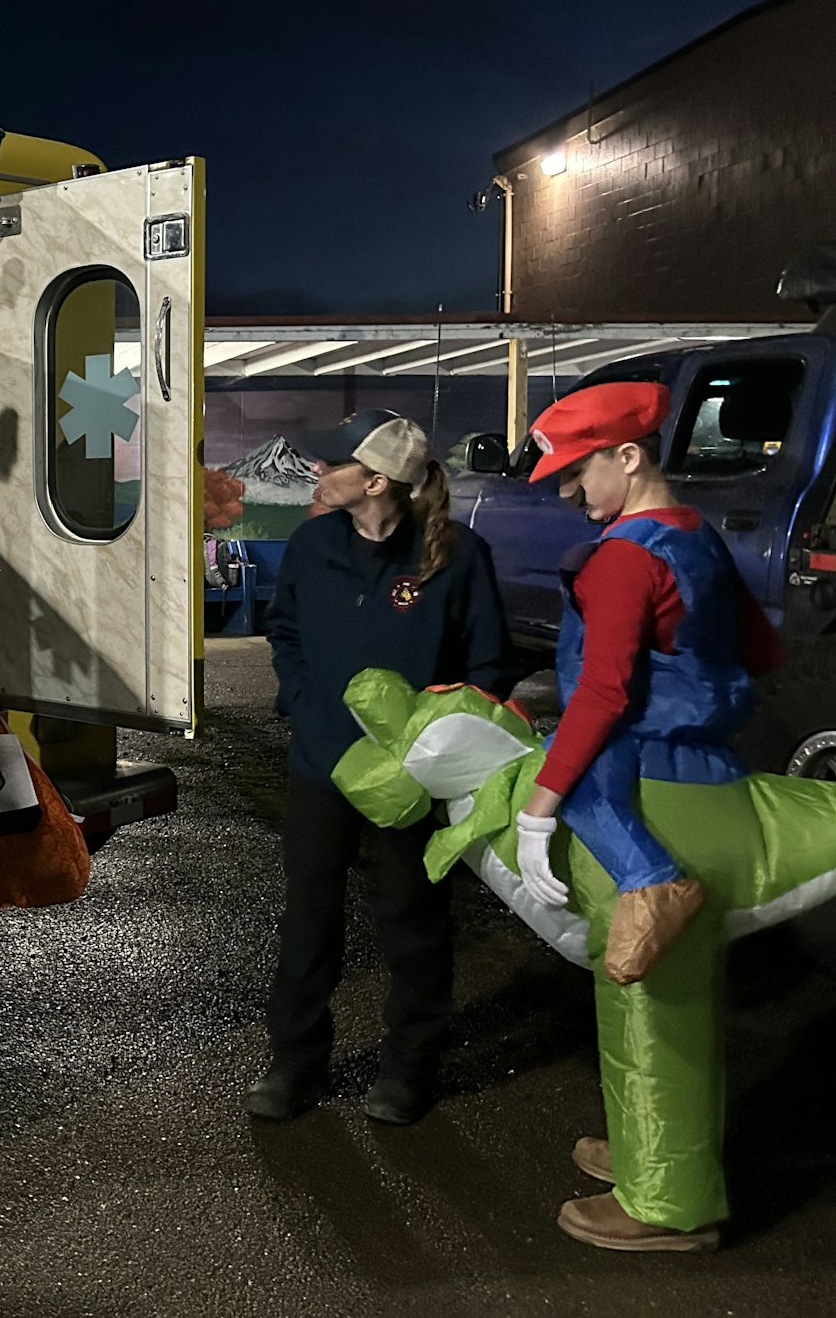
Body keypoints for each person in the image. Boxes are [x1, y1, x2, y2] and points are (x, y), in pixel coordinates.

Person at [508, 380, 782, 1251]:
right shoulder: (696, 536)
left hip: (650, 778)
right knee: (669, 1004)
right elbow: (763, 649)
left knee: (647, 1003)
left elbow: (602, 692)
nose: (567, 492)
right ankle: (644, 1148)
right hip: (714, 764)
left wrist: (540, 808)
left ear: (628, 457)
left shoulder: (624, 555)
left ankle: (667, 1202)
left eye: (578, 473)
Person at [254, 407, 511, 1126]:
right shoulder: (311, 545)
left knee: (412, 920)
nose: (315, 469)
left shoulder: (458, 557)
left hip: (413, 781)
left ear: (375, 480)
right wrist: (306, 704)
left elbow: (490, 664)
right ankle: (295, 1064)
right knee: (307, 922)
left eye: (330, 462)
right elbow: (285, 632)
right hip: (322, 765)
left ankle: (409, 1068)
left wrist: (436, 743)